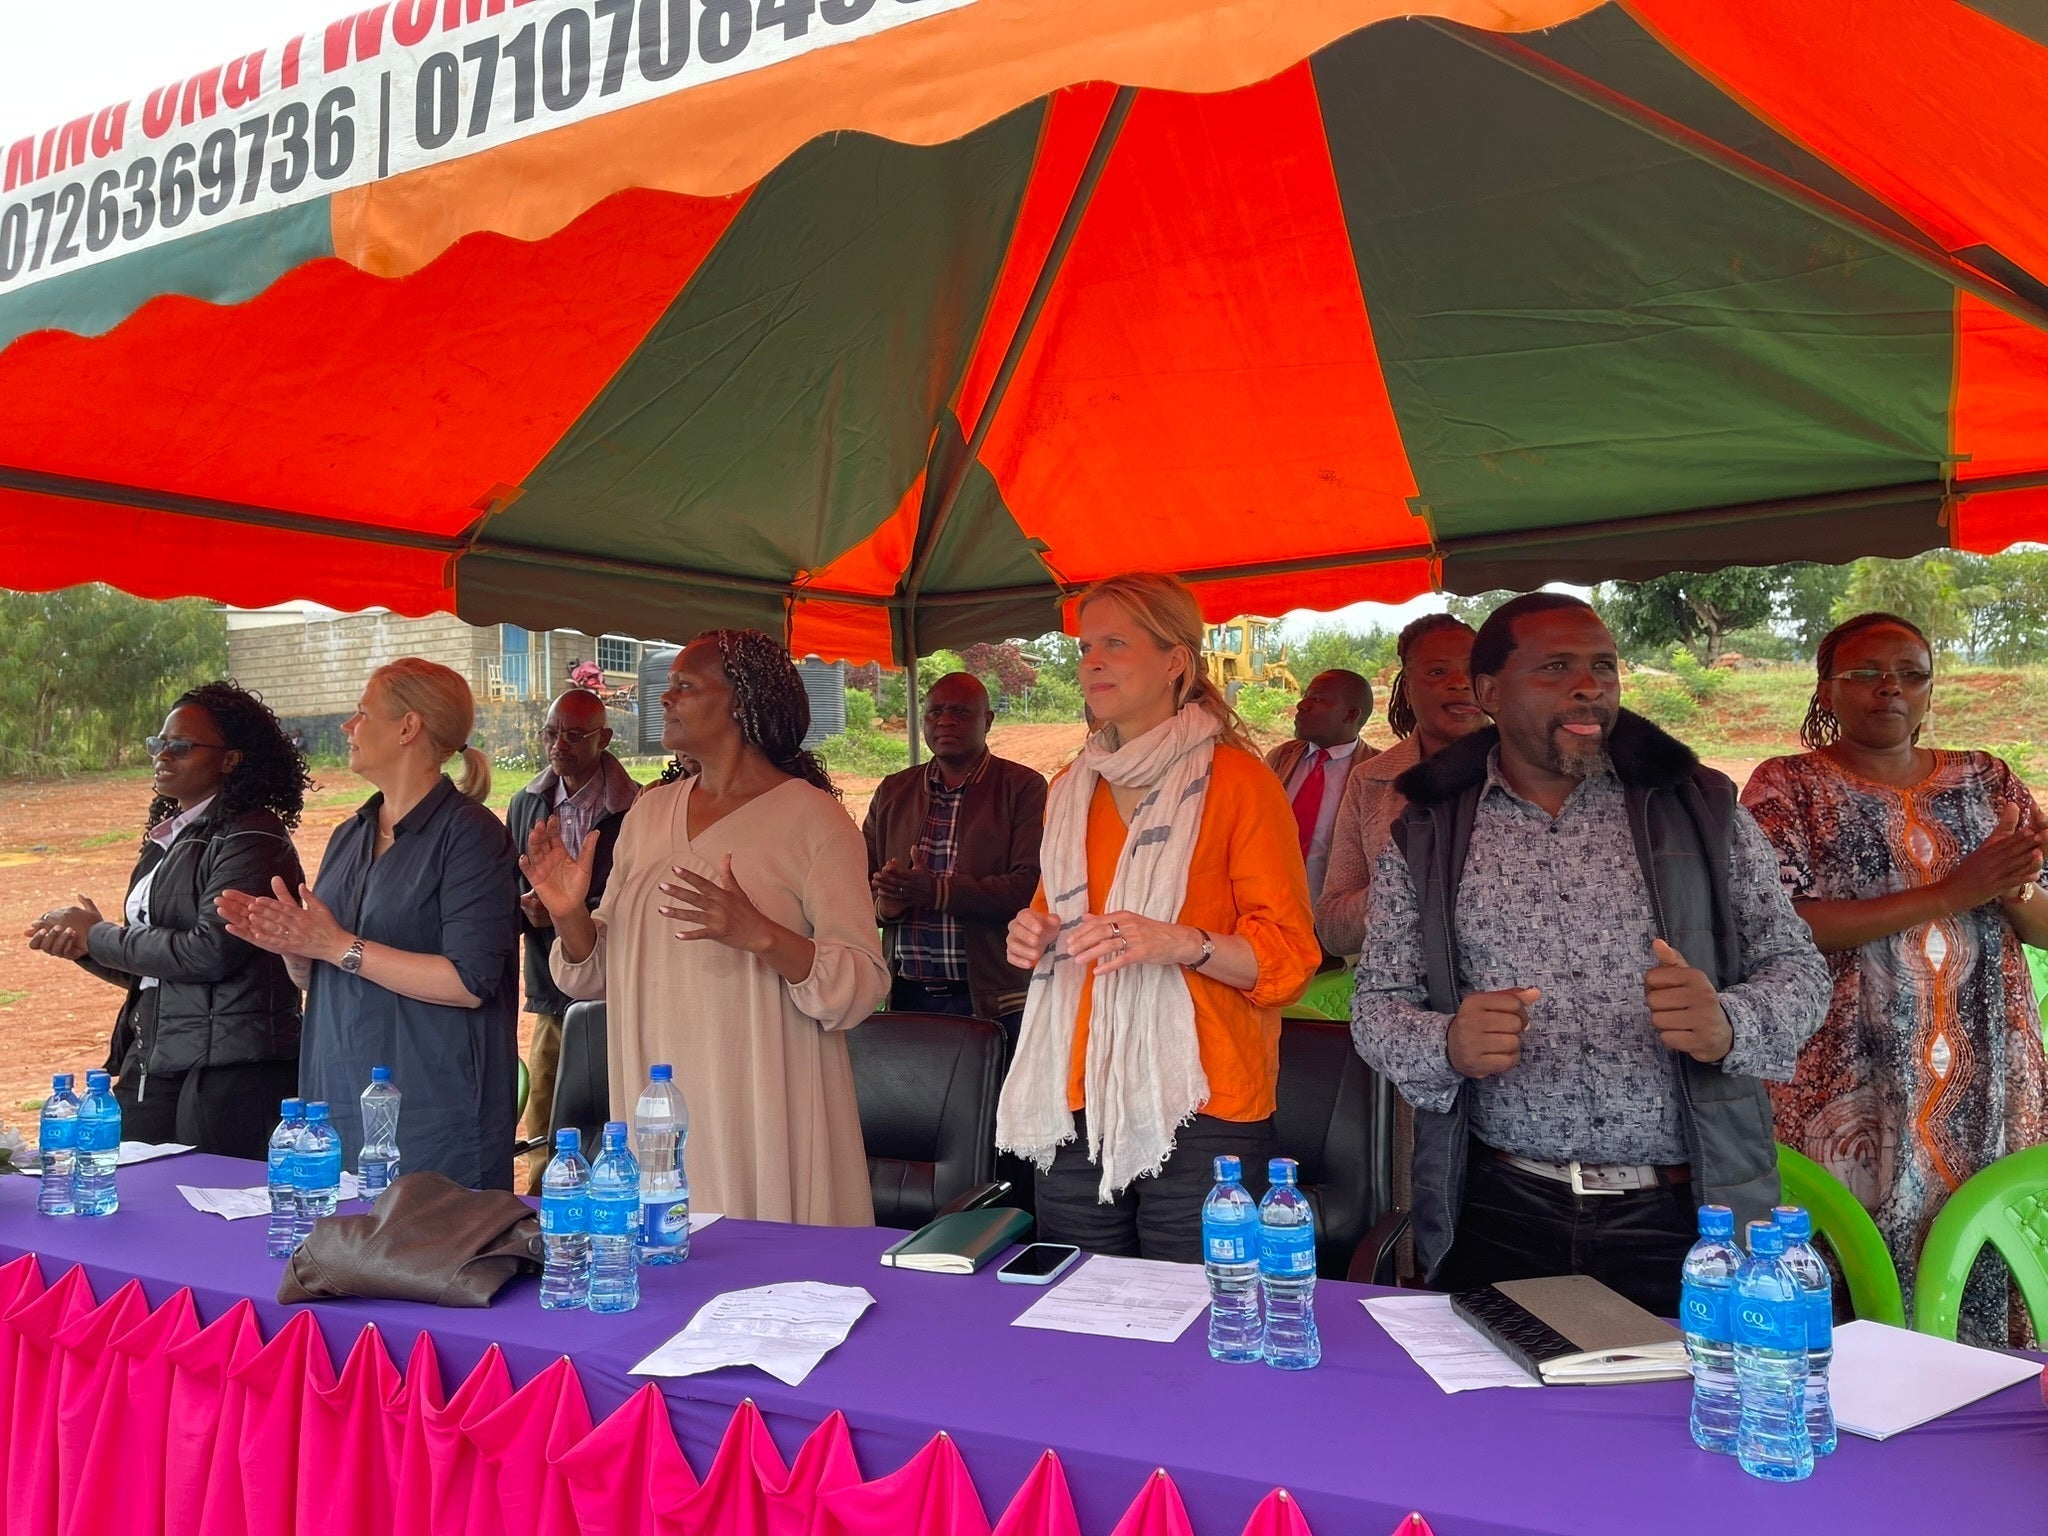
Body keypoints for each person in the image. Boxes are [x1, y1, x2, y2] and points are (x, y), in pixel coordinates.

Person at [1351, 593, 1829, 1315]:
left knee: (1690, 1416)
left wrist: (1731, 1022)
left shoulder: (1699, 808)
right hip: (1500, 1207)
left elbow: (1800, 968)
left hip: (1690, 1214)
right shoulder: (1428, 833)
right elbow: (1377, 1007)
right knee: (1503, 1424)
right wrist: (1446, 1041)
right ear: (1488, 693)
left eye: (1603, 667)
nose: (1589, 686)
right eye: (1556, 667)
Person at [1741, 612, 2048, 1345]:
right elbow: (1778, 924)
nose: (1892, 690)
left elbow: (2039, 926)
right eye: (1867, 675)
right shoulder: (1788, 787)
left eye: (1912, 674)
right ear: (1825, 689)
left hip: (1987, 1072)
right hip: (1846, 1073)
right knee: (1848, 1257)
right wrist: (1951, 892)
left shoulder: (1987, 779)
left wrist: (2014, 889)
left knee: (1975, 1236)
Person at [1000, 573, 1321, 1263]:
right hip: (1074, 1088)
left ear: (1176, 660)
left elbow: (1290, 959)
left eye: (1115, 642)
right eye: (1086, 646)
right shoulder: (1069, 787)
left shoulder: (1239, 783)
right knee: (1081, 1314)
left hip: (1203, 1099)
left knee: (1195, 1315)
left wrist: (1181, 942)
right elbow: (1049, 918)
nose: (1091, 661)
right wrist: (1033, 936)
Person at [532, 630, 888, 1225]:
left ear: (740, 704)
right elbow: (596, 974)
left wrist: (762, 934)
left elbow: (863, 984)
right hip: (657, 1104)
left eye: (685, 686)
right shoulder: (648, 814)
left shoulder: (815, 822)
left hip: (761, 1111)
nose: (666, 698)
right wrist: (569, 915)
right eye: (668, 686)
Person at [219, 659, 520, 1191]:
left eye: (362, 713)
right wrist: (296, 949)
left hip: (432, 1111)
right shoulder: (349, 833)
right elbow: (327, 973)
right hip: (337, 1095)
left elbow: (470, 983)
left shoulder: (471, 836)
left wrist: (335, 945)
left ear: (408, 728)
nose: (347, 727)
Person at [23, 683, 307, 1158]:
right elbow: (159, 970)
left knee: (216, 1214)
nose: (163, 755)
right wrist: (86, 947)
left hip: (231, 1073)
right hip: (158, 1057)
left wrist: (100, 934)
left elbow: (210, 951)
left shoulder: (252, 836)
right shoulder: (168, 839)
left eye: (181, 746)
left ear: (231, 759)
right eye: (159, 744)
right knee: (139, 1200)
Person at [865, 672, 1047, 1049]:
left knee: (992, 1108)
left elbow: (1031, 886)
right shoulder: (893, 791)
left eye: (961, 712)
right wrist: (889, 905)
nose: (945, 721)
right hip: (907, 994)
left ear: (988, 721)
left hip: (994, 1000)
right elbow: (854, 888)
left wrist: (938, 892)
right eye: (935, 712)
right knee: (915, 1106)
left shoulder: (1023, 787)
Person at [505, 689, 640, 1184]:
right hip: (551, 988)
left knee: (620, 1106)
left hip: (618, 990)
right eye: (551, 733)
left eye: (574, 734)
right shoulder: (526, 802)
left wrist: (573, 912)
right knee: (545, 1113)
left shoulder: (637, 806)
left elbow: (636, 897)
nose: (559, 744)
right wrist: (530, 909)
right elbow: (509, 880)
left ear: (604, 738)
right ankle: (543, 1211)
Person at [1316, 616, 1483, 958]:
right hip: (1407, 1002)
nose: (1460, 683)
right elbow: (1333, 930)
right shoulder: (1371, 781)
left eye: (1474, 670)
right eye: (1437, 672)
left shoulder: (1534, 774)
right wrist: (1402, 884)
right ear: (1407, 688)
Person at [1266, 670, 1373, 911]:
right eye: (1306, 696)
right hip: (1272, 912)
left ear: (1351, 714)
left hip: (1332, 921)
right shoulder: (1280, 758)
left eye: (1317, 699)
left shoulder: (1376, 772)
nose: (1301, 704)